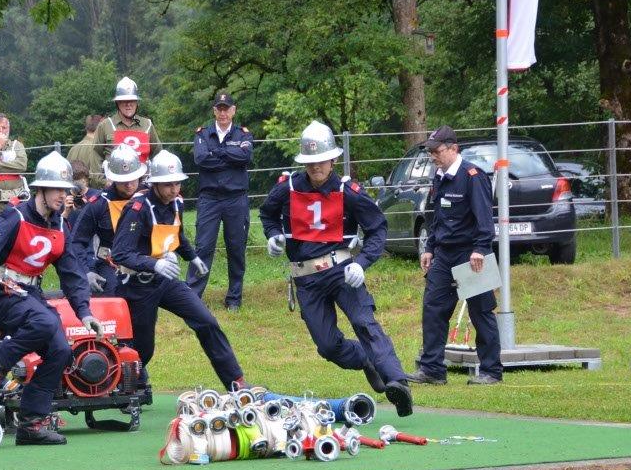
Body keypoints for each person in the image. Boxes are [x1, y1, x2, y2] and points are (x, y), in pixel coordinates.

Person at [259, 121, 413, 416]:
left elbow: (377, 228)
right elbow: (267, 214)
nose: (316, 166)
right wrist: (273, 236)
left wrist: (362, 263)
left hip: (341, 271)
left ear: (332, 159)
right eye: (310, 161)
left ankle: (398, 383)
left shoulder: (348, 191)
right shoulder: (288, 188)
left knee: (364, 322)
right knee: (327, 346)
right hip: (306, 278)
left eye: (322, 160)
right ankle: (366, 360)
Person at [0, 151, 103, 445]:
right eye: (57, 190)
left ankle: (30, 425)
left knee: (60, 350)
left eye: (66, 191)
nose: (63, 196)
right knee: (45, 322)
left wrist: (85, 312)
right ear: (41, 189)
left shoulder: (60, 226)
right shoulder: (15, 216)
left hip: (29, 294)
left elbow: (72, 274)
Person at [111, 150, 246, 394]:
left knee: (206, 321)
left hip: (166, 281)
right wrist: (153, 264)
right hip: (137, 285)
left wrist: (192, 256)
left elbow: (177, 234)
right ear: (154, 184)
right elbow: (120, 253)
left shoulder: (177, 203)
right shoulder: (138, 208)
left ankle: (236, 382)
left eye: (177, 183)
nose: (174, 189)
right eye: (168, 185)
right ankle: (122, 385)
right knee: (143, 349)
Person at [405, 125, 502, 386]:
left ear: (453, 149)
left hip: (471, 254)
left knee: (481, 311)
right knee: (433, 308)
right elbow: (437, 217)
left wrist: (481, 249)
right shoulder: (439, 176)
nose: (432, 156)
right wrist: (429, 247)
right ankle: (432, 370)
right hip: (444, 254)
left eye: (436, 151)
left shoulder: (473, 176)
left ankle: (491, 371)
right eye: (430, 152)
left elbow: (485, 219)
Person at [187, 92, 254, 311]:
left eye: (227, 108)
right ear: (214, 111)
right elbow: (201, 159)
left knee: (236, 249)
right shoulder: (203, 133)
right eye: (220, 108)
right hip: (210, 199)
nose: (223, 112)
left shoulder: (244, 134)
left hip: (236, 198)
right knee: (203, 247)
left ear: (233, 110)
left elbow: (246, 157)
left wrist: (217, 153)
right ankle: (192, 298)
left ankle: (234, 298)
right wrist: (231, 155)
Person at [70, 144, 146, 297]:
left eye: (132, 179)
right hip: (111, 265)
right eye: (123, 180)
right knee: (113, 301)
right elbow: (76, 242)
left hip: (145, 264)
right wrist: (86, 271)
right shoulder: (98, 203)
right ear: (114, 179)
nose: (129, 184)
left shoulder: (149, 199)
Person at [91, 77, 162, 164]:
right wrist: (101, 173)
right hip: (112, 173)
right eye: (124, 100)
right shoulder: (105, 125)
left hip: (144, 172)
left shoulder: (147, 124)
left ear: (137, 102)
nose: (128, 104)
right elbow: (96, 155)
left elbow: (158, 154)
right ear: (117, 103)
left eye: (132, 100)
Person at [66, 114, 105, 183]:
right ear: (101, 129)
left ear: (86, 128)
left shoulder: (73, 149)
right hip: (92, 189)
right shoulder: (97, 149)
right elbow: (96, 180)